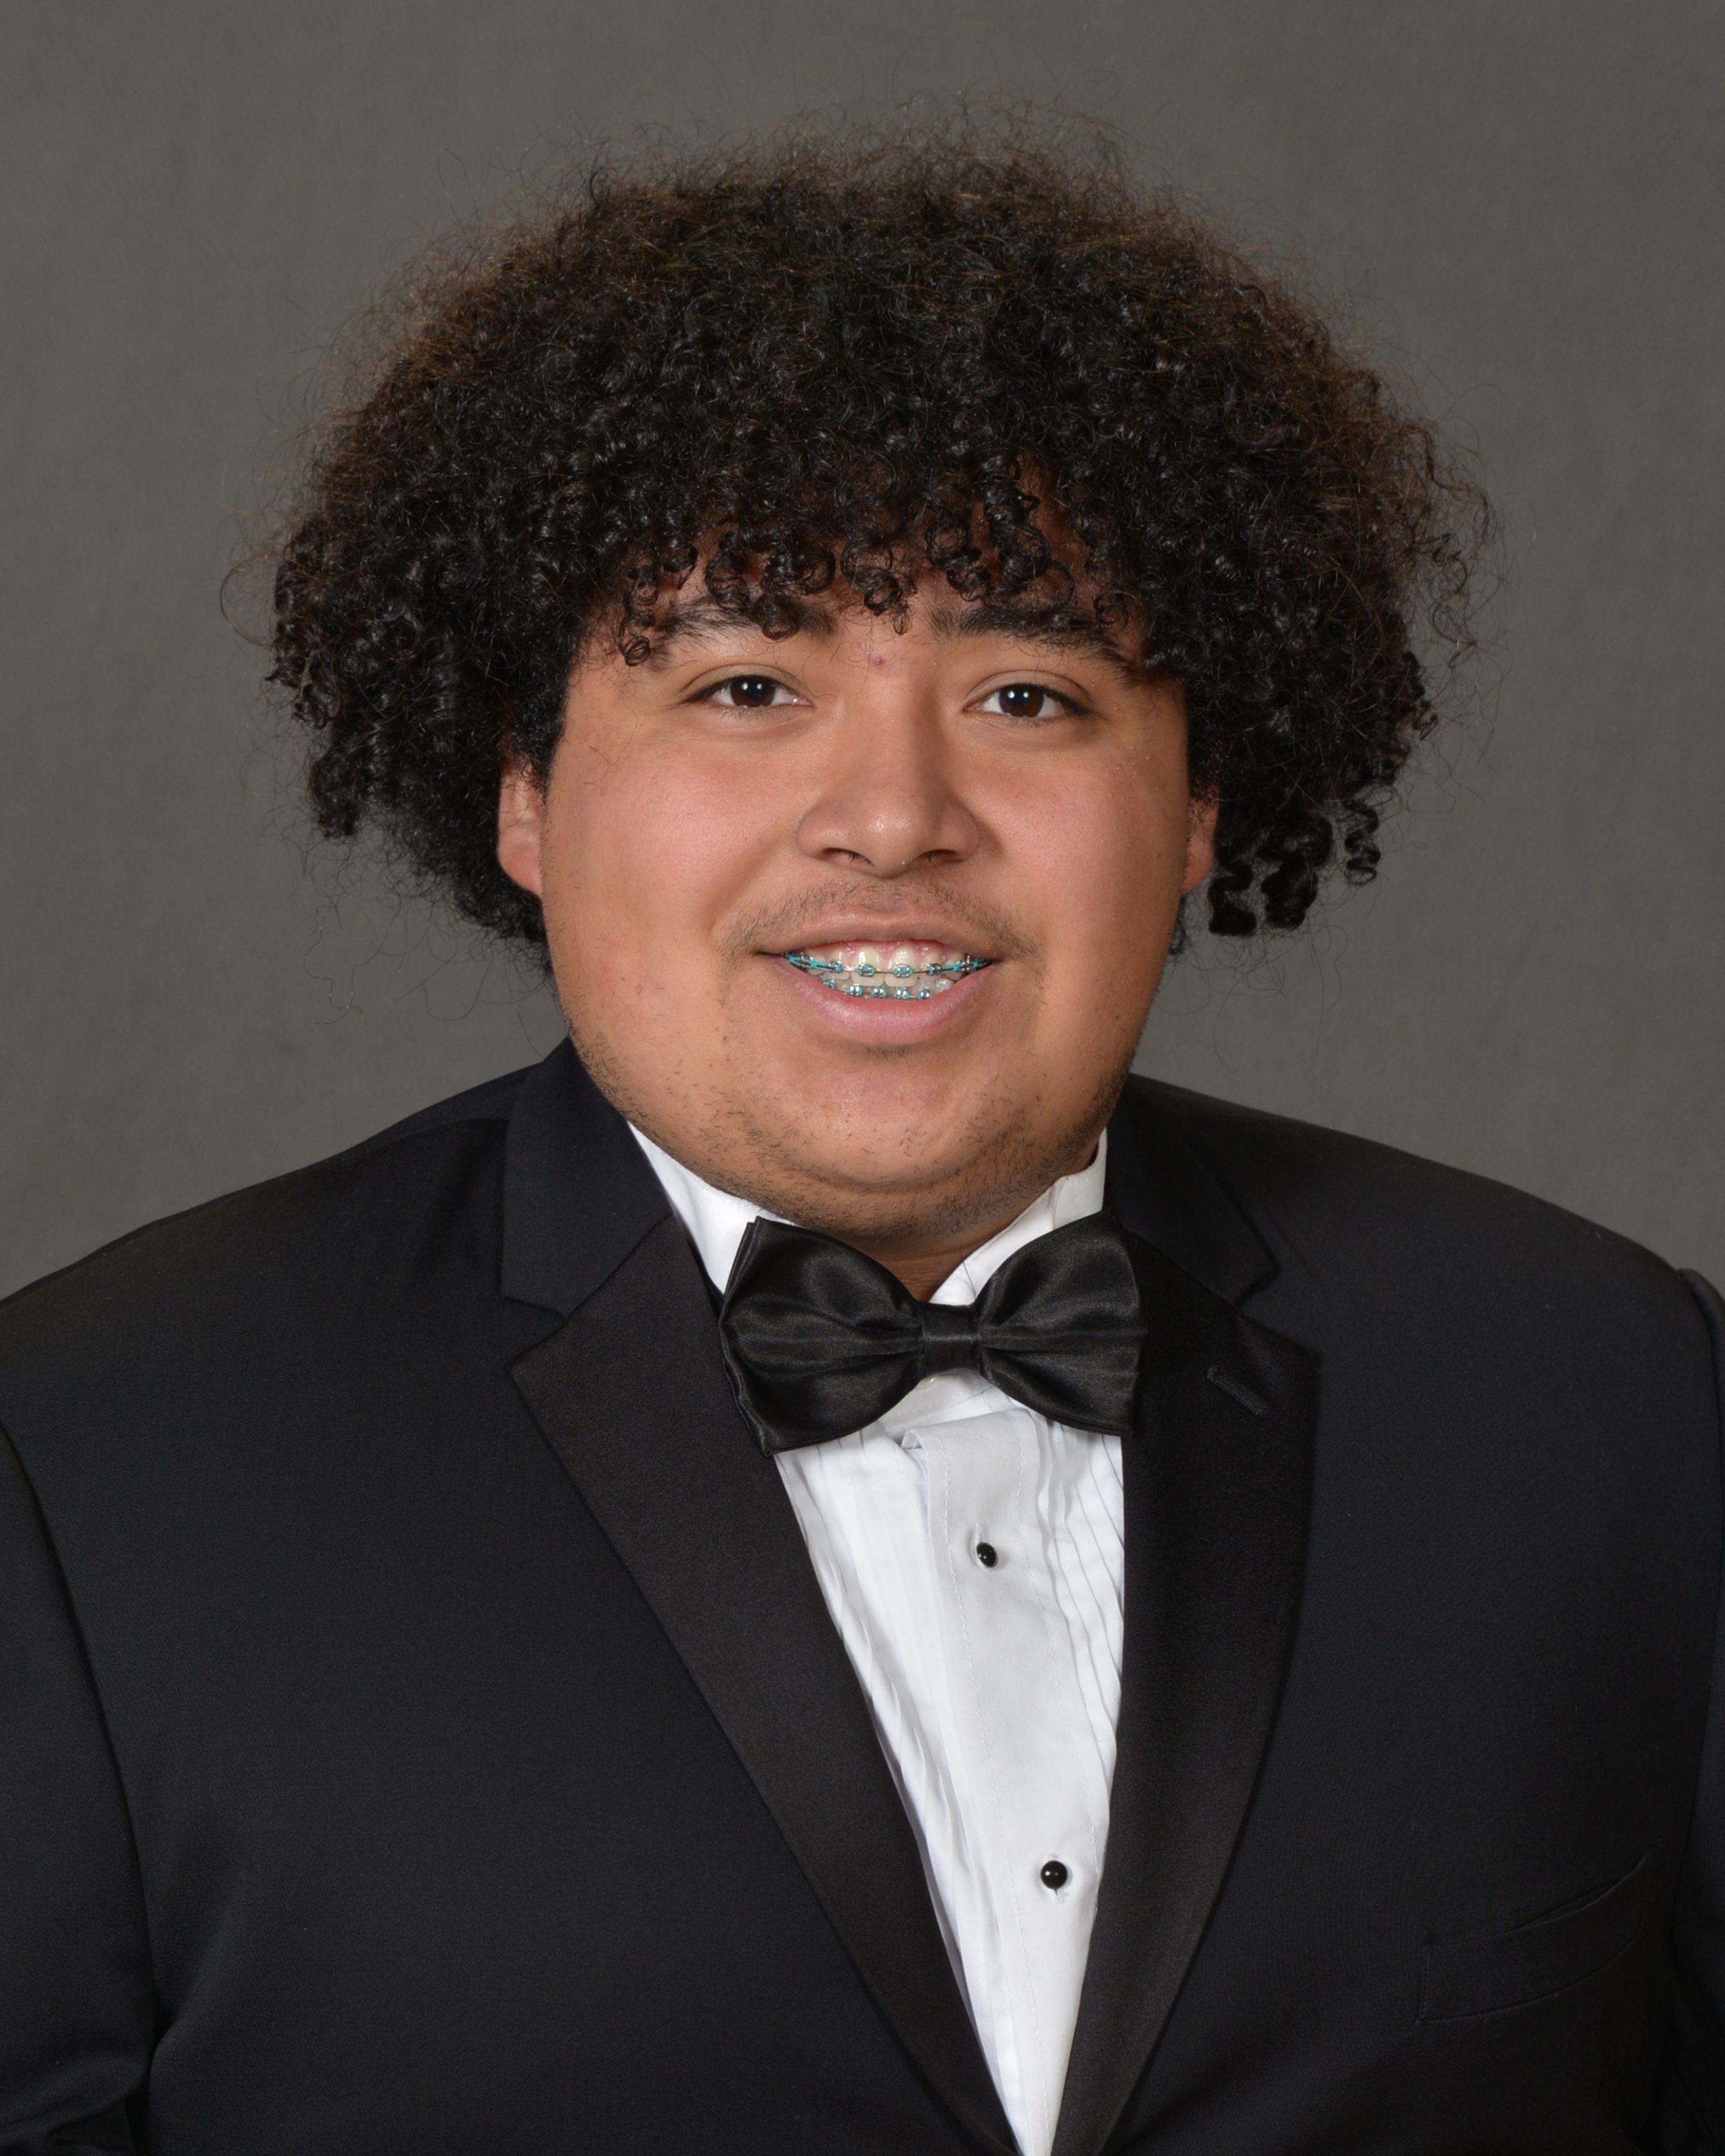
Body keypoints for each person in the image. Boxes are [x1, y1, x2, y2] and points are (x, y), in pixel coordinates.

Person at [1, 126, 1719, 2156]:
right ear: (524, 796)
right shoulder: (86, 1462)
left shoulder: (1618, 1393)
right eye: (748, 682)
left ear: (1196, 809)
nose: (895, 817)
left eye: (1029, 694)